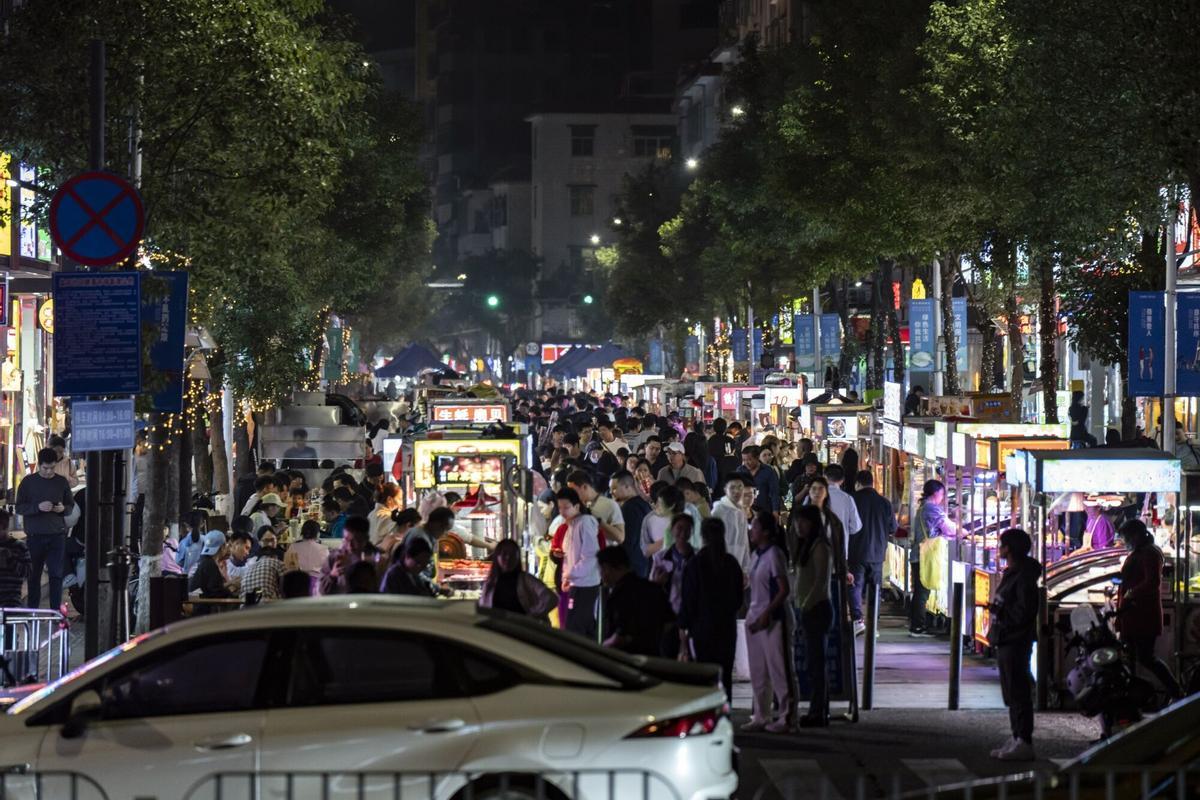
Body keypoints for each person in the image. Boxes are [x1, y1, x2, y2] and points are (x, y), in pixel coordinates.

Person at [988, 528, 1042, 761]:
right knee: (1011, 689)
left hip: (1015, 639)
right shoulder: (1015, 572)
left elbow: (1024, 610)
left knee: (1018, 690)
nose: (999, 549)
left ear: (1009, 548)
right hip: (1007, 637)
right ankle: (1017, 735)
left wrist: (1005, 619)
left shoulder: (1024, 575)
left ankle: (1024, 739)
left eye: (1002, 545)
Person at [1115, 519, 1183, 699]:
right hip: (1131, 613)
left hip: (1143, 614)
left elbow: (1152, 582)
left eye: (1127, 536)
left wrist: (1131, 593)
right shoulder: (1140, 551)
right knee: (1129, 657)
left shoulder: (1150, 553)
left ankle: (1175, 690)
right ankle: (1131, 696)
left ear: (1136, 535)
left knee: (1146, 657)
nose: (1125, 541)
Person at [679, 517, 744, 700]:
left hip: (702, 628)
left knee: (705, 675)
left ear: (703, 536)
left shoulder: (695, 564)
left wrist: (684, 625)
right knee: (725, 675)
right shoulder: (731, 563)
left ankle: (708, 717)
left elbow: (688, 600)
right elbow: (738, 599)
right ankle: (725, 712)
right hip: (726, 627)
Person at [743, 511, 795, 734]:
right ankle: (761, 715)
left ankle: (787, 717)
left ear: (765, 532)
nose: (750, 530)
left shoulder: (774, 555)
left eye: (754, 527)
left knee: (779, 669)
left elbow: (783, 589)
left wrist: (767, 613)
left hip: (773, 620)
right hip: (755, 618)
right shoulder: (757, 555)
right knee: (758, 670)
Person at [790, 504, 834, 727]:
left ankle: (819, 712)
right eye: (797, 521)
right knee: (812, 662)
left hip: (817, 609)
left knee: (817, 663)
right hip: (807, 608)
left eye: (803, 521)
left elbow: (821, 582)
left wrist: (805, 605)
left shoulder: (819, 547)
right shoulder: (805, 545)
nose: (799, 525)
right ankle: (817, 710)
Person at [15, 448, 74, 610]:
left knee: (56, 575)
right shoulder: (28, 482)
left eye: (52, 468)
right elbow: (19, 507)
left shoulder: (61, 482)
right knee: (34, 576)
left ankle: (55, 611)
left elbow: (70, 506)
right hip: (35, 536)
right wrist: (37, 507)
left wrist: (62, 509)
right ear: (39, 465)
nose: (49, 472)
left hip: (57, 535)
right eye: (45, 468)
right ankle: (33, 610)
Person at [909, 479, 962, 636]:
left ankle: (917, 624)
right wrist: (962, 530)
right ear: (936, 493)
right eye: (942, 493)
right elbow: (949, 527)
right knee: (922, 592)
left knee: (919, 591)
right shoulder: (931, 509)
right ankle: (918, 627)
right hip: (924, 556)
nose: (943, 497)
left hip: (919, 555)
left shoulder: (924, 507)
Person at [598, 545, 671, 657]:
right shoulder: (653, 588)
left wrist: (600, 650)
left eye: (602, 568)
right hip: (654, 658)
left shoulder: (619, 596)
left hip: (626, 661)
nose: (601, 574)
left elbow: (621, 636)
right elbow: (669, 624)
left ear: (611, 568)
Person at [850, 469, 896, 635]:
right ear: (872, 482)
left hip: (855, 551)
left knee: (855, 586)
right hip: (877, 553)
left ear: (858, 484)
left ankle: (858, 620)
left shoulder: (852, 499)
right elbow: (893, 528)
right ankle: (873, 625)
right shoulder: (884, 502)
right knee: (874, 588)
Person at [557, 488, 602, 638]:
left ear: (576, 506)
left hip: (585, 584)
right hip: (577, 583)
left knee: (576, 627)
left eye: (566, 507)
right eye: (560, 508)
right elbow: (568, 557)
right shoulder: (572, 525)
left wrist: (570, 574)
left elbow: (590, 555)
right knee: (582, 625)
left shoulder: (585, 522)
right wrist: (567, 577)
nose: (562, 512)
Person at [651, 513, 697, 658]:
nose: (683, 533)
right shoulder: (661, 557)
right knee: (667, 655)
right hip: (668, 616)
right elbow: (651, 586)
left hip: (691, 616)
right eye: (679, 528)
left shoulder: (697, 559)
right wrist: (658, 583)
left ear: (692, 532)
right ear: (672, 530)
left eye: (687, 529)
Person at [478, 539, 556, 620]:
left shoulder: (526, 580)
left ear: (517, 557)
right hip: (497, 630)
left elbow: (552, 598)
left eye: (512, 554)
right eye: (504, 553)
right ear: (497, 556)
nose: (508, 557)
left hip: (521, 630)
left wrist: (533, 615)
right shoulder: (490, 582)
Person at [610, 470, 652, 578]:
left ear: (627, 487)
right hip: (644, 564)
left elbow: (627, 541)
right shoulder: (644, 504)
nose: (611, 492)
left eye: (614, 488)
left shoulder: (628, 509)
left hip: (631, 567)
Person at [319, 516, 375, 595]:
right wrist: (332, 575)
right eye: (346, 539)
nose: (350, 545)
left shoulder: (376, 559)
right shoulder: (335, 558)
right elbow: (321, 591)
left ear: (365, 539)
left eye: (355, 541)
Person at [567, 470, 625, 546]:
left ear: (584, 487)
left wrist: (597, 520)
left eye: (573, 491)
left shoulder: (610, 504)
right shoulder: (577, 508)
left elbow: (620, 537)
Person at [819, 464, 862, 560]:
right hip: (839, 551)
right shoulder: (847, 499)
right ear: (842, 481)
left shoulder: (812, 495)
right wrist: (844, 530)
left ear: (824, 477)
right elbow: (856, 526)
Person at [188, 531, 236, 614]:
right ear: (222, 547)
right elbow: (216, 590)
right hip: (203, 611)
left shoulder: (203, 561)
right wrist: (233, 595)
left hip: (197, 607)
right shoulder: (210, 564)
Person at [711, 475, 751, 572]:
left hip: (739, 564)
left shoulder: (741, 511)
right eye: (732, 487)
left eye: (740, 487)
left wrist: (746, 568)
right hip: (721, 565)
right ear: (725, 490)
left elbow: (744, 542)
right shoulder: (719, 510)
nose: (737, 491)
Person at [738, 445, 781, 517]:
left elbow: (775, 492)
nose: (746, 462)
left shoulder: (768, 471)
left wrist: (775, 511)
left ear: (757, 458)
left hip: (765, 511)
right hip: (745, 511)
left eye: (749, 459)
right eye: (744, 460)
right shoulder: (740, 471)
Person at [0, 510, 31, 608]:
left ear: (5, 528)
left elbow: (28, 573)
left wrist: (10, 558)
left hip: (11, 600)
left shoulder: (19, 547)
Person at [241, 535, 284, 603]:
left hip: (244, 608)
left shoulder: (250, 567)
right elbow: (287, 585)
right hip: (266, 607)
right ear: (275, 556)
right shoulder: (277, 562)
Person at [707, 418, 739, 494]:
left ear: (714, 428)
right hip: (726, 471)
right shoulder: (729, 440)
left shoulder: (710, 441)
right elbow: (731, 455)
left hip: (712, 470)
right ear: (725, 428)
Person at [178, 509, 208, 576]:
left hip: (188, 578)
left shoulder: (183, 542)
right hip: (204, 577)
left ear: (186, 525)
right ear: (202, 524)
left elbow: (179, 562)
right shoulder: (207, 540)